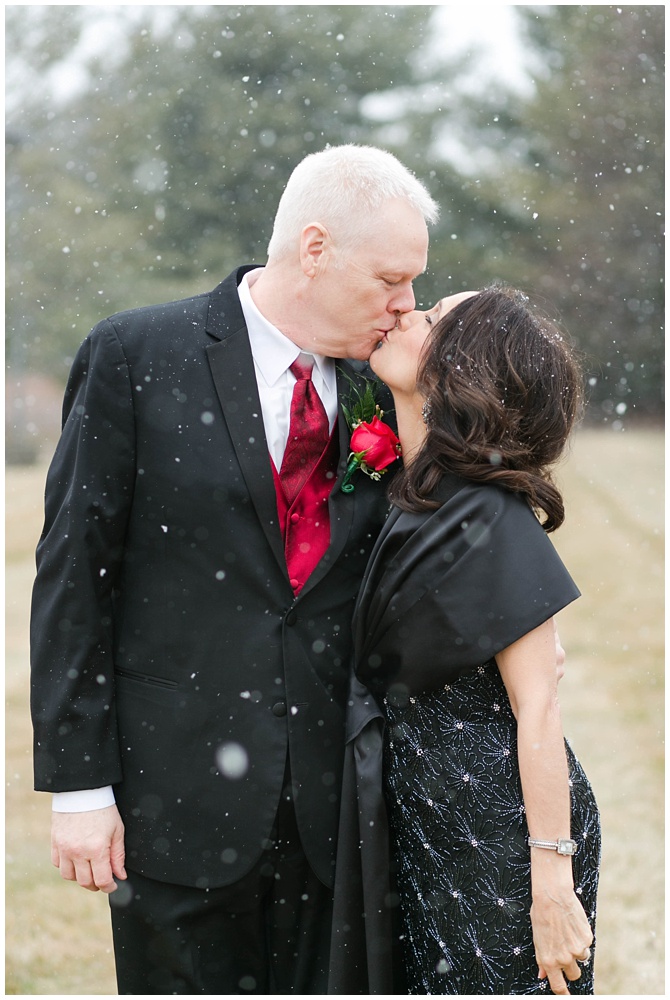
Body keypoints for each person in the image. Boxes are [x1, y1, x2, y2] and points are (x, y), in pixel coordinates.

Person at [29, 144, 440, 994]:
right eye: (390, 280)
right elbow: (74, 577)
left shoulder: (383, 385)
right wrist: (78, 787)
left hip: (339, 812)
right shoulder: (136, 356)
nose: (406, 306)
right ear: (315, 249)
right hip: (173, 799)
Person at [331, 287, 600, 995]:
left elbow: (538, 709)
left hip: (502, 830)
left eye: (431, 318)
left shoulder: (491, 515)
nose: (405, 314)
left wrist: (550, 881)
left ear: (462, 369)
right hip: (433, 818)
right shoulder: (411, 489)